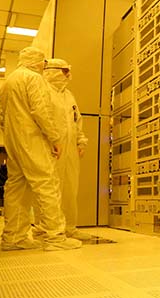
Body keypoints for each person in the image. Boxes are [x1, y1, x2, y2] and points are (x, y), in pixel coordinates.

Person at [0, 46, 82, 251]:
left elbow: (3, 117)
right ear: (38, 62)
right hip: (32, 139)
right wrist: (54, 138)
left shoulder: (9, 81)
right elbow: (41, 111)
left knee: (16, 188)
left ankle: (13, 238)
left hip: (14, 140)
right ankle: (55, 237)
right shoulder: (33, 79)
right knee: (48, 185)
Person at [43, 58, 91, 240]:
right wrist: (51, 141)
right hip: (52, 147)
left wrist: (81, 141)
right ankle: (49, 228)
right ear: (52, 71)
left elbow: (76, 120)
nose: (68, 75)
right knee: (52, 188)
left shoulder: (68, 95)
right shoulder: (43, 92)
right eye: (64, 71)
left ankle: (70, 227)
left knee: (70, 187)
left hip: (70, 147)